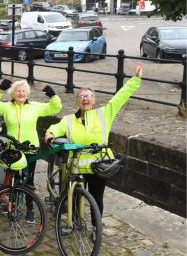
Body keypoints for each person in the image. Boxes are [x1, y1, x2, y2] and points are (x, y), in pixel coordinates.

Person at [45, 63, 144, 225]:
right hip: (76, 164)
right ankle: (74, 222)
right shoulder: (68, 120)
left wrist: (136, 79)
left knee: (96, 197)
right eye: (82, 96)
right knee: (75, 195)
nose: (85, 98)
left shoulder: (104, 113)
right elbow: (54, 129)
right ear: (77, 101)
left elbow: (121, 96)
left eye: (89, 96)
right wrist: (50, 136)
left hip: (99, 164)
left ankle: (95, 227)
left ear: (94, 100)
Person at [0, 79, 62, 222]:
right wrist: (1, 90)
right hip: (13, 149)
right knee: (13, 178)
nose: (21, 93)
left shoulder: (35, 106)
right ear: (13, 93)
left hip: (30, 149)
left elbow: (55, 107)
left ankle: (30, 209)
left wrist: (51, 94)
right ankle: (13, 203)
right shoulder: (7, 106)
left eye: (23, 91)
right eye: (18, 90)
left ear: (27, 93)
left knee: (28, 180)